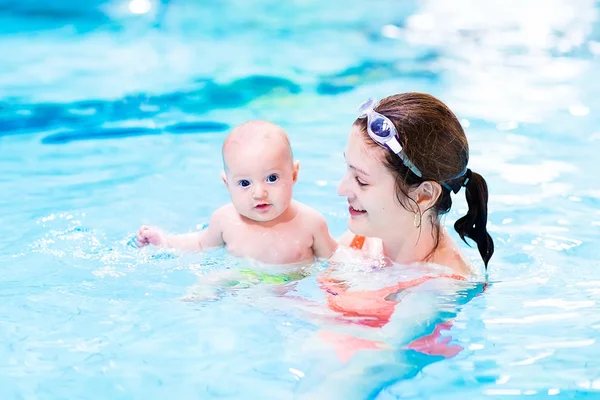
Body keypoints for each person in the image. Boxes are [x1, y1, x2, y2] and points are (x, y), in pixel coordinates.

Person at [292, 92, 495, 399]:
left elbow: (372, 365)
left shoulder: (438, 286)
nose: (341, 188)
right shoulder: (367, 237)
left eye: (361, 180)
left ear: (424, 195)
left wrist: (284, 307)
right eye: (347, 169)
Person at [135, 120, 338, 269]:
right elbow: (199, 243)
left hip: (293, 286)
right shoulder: (225, 220)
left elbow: (335, 259)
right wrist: (165, 242)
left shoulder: (310, 222)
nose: (259, 193)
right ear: (227, 184)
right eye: (244, 183)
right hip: (241, 282)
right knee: (205, 289)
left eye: (272, 178)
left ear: (294, 174)